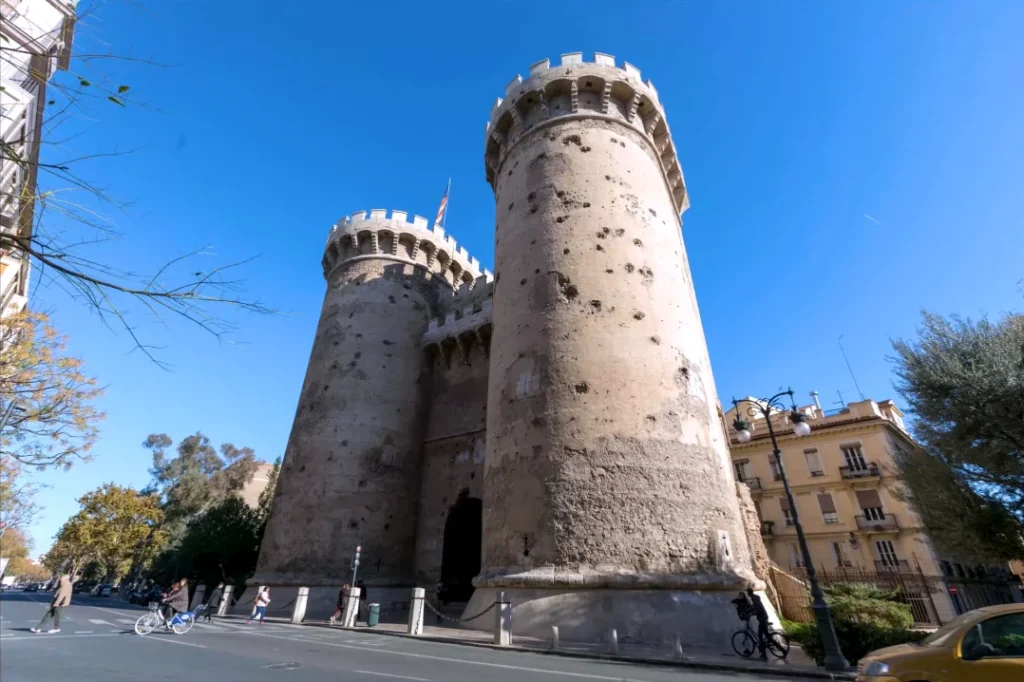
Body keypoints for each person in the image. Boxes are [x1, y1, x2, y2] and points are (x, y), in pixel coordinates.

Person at [746, 587, 771, 661]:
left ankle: (764, 655)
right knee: (766, 635)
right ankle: (774, 645)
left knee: (760, 636)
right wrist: (747, 611)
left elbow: (757, 610)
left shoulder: (754, 599)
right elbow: (753, 607)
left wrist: (751, 614)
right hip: (763, 618)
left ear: (748, 593)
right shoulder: (755, 598)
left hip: (762, 619)